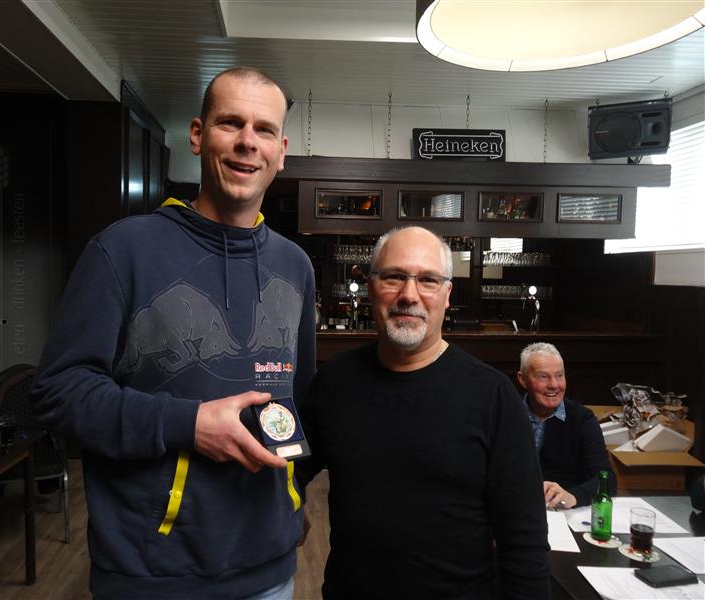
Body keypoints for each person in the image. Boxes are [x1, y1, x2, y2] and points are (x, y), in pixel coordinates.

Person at [30, 67, 315, 599]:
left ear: (281, 151)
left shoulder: (295, 265)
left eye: (264, 130)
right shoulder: (122, 250)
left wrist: (291, 503)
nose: (247, 142)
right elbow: (57, 392)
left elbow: (295, 400)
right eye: (230, 123)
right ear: (198, 135)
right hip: (154, 571)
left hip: (270, 569)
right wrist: (189, 424)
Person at [296, 226, 550, 599]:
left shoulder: (493, 396)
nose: (409, 295)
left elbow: (525, 539)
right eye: (394, 277)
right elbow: (292, 465)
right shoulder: (335, 380)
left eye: (428, 280)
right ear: (370, 287)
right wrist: (292, 498)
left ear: (447, 295)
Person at [517, 342, 616, 509]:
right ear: (523, 379)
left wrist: (573, 496)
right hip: (515, 508)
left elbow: (607, 480)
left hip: (564, 512)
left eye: (559, 375)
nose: (554, 385)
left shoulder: (582, 418)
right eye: (543, 376)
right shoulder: (506, 415)